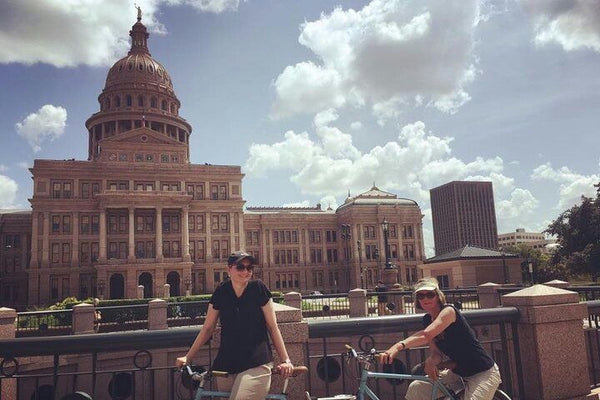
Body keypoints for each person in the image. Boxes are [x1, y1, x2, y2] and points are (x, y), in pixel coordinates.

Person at [176, 251, 294, 399]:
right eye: (240, 267)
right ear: (229, 269)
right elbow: (208, 328)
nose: (245, 271)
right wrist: (188, 357)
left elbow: (272, 326)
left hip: (256, 363)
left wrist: (286, 360)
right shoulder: (221, 291)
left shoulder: (258, 288)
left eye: (249, 268)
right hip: (226, 364)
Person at [380, 278, 501, 399]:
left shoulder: (449, 311)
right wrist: (432, 361)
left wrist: (398, 346)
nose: (425, 299)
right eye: (421, 296)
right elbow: (436, 353)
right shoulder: (427, 320)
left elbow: (426, 335)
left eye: (430, 294)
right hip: (458, 372)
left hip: (482, 372)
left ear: (438, 296)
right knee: (416, 388)